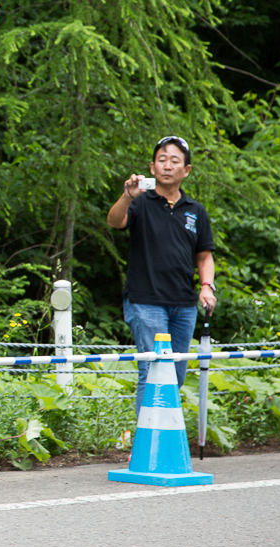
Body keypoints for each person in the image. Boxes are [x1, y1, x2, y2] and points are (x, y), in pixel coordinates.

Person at [106, 135, 217, 413]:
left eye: (175, 161)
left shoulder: (196, 211)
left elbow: (204, 255)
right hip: (146, 301)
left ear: (186, 170)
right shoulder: (140, 202)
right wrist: (126, 196)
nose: (168, 166)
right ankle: (147, 446)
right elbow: (115, 221)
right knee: (153, 370)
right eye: (162, 160)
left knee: (176, 375)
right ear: (152, 167)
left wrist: (207, 286)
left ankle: (163, 436)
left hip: (184, 304)